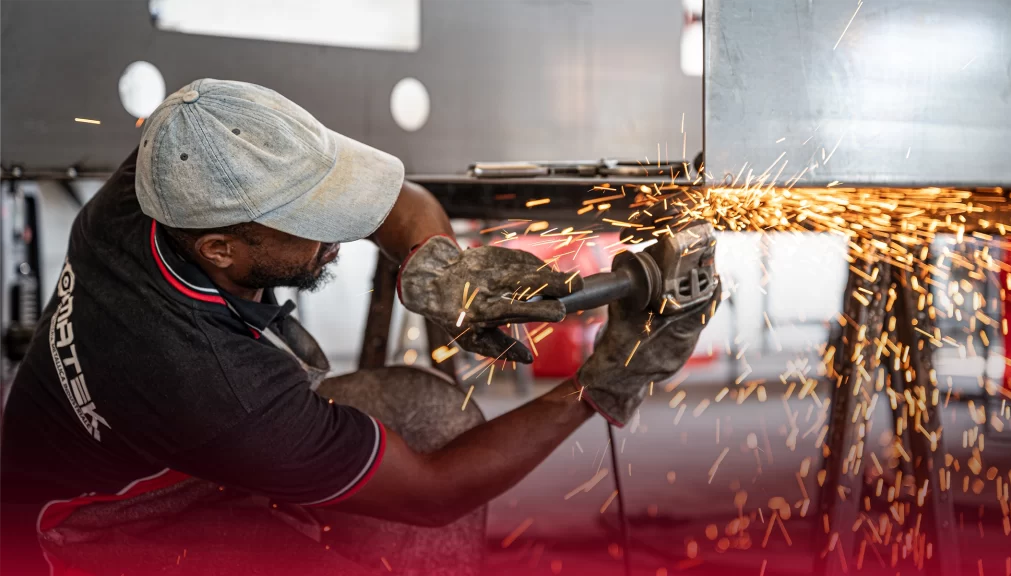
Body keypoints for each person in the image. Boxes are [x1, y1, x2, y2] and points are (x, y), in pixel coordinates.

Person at [0, 79, 718, 575]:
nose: (340, 235)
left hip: (167, 446)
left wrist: (443, 270)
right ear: (220, 248)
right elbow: (435, 494)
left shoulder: (176, 168)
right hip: (87, 530)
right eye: (314, 225)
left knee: (428, 411)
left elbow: (394, 204)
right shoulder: (211, 387)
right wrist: (604, 382)